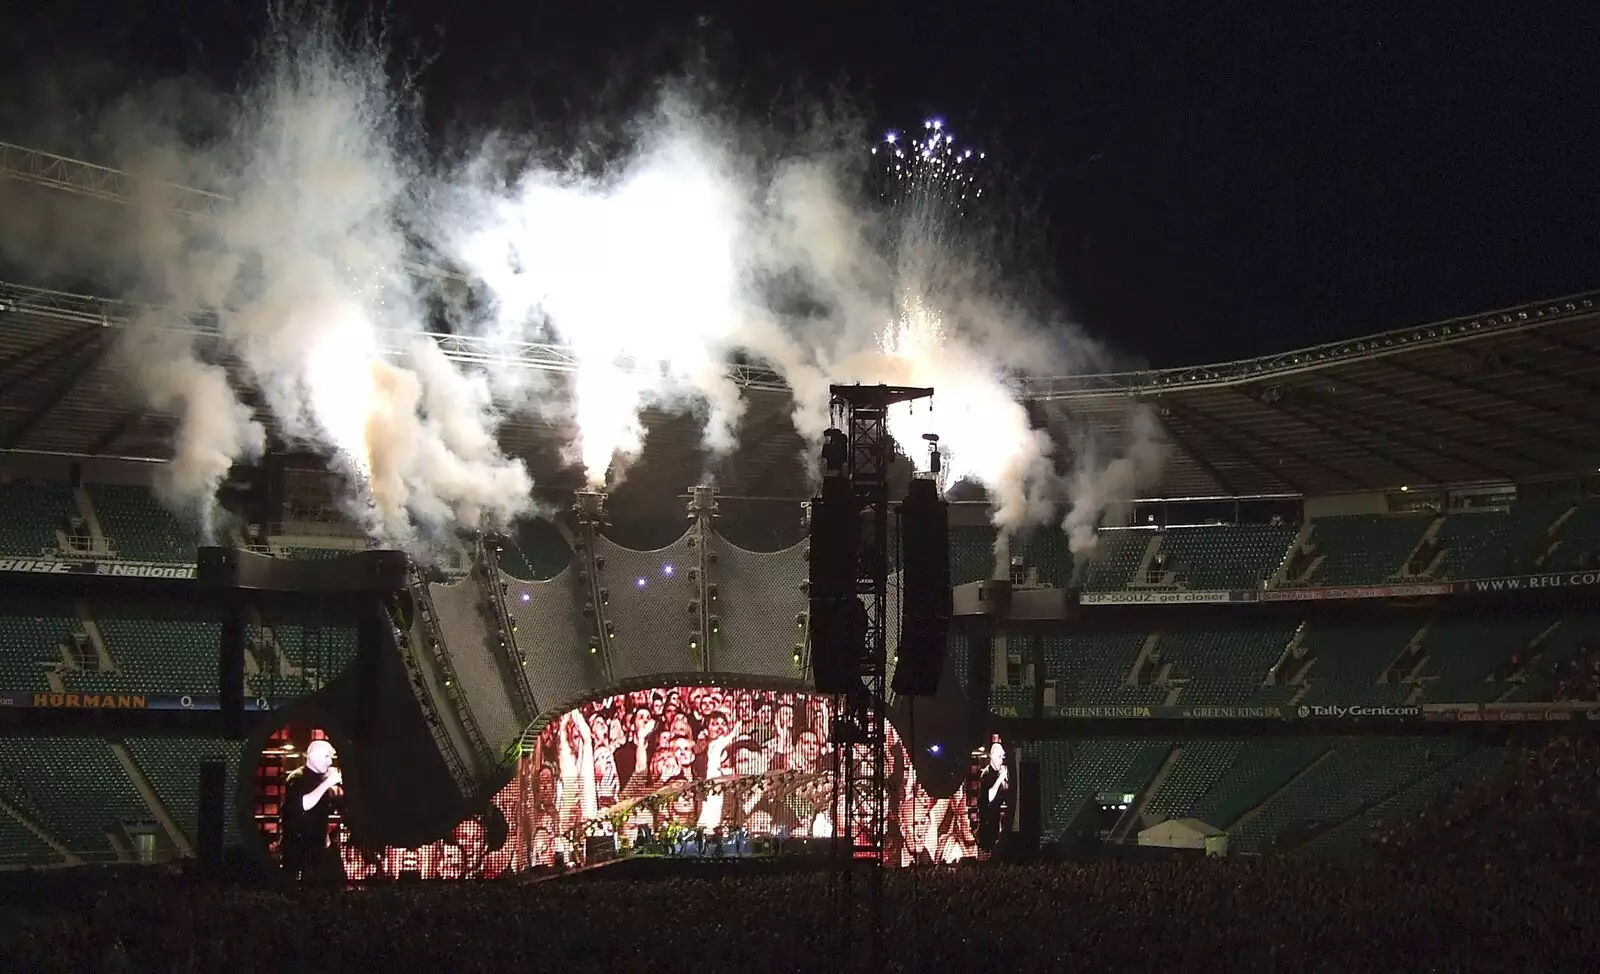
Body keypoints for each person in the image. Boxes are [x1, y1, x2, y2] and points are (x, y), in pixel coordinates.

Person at [280, 739, 343, 881]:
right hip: (299, 852)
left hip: (317, 850)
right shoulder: (297, 778)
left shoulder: (320, 780)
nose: (330, 762)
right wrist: (327, 783)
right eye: (327, 757)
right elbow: (303, 804)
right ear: (313, 757)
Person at [977, 741, 1010, 853]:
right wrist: (999, 779)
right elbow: (989, 797)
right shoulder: (986, 774)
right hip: (986, 825)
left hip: (995, 823)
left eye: (1002, 757)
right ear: (992, 757)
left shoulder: (998, 774)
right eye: (999, 757)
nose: (1001, 760)